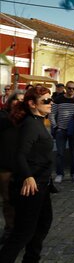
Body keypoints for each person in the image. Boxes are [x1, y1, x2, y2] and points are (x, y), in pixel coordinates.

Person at [0, 86, 55, 263]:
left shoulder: (39, 121)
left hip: (42, 184)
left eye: (51, 99)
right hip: (30, 186)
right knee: (23, 231)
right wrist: (28, 176)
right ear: (32, 104)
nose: (51, 103)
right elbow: (20, 155)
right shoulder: (31, 124)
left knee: (42, 223)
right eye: (46, 101)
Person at [0, 90, 24, 245]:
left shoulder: (27, 118)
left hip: (22, 166)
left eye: (22, 100)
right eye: (16, 100)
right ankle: (10, 229)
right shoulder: (3, 116)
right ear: (10, 101)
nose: (19, 103)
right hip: (5, 165)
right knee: (7, 199)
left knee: (21, 200)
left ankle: (20, 230)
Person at [49, 80, 74, 183]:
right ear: (65, 88)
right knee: (60, 153)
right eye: (69, 88)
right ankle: (60, 174)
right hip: (61, 130)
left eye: (73, 88)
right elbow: (51, 114)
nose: (71, 90)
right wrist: (55, 127)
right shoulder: (58, 100)